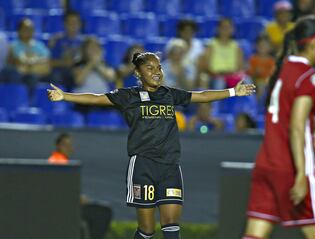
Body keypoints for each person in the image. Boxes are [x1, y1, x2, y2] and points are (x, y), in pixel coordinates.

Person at [48, 51, 256, 239]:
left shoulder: (169, 94)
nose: (156, 71)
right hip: (143, 166)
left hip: (170, 165)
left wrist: (233, 92)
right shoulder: (128, 96)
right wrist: (65, 96)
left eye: (159, 67)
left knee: (171, 223)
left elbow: (201, 96)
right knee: (147, 229)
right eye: (150, 68)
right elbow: (96, 99)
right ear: (138, 73)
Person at [241, 17, 315, 239]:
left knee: (253, 236)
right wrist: (301, 175)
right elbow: (297, 127)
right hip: (291, 167)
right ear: (314, 44)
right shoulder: (310, 78)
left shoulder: (282, 69)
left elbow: (284, 123)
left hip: (266, 164)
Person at [198, 18, 244, 89]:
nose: (226, 30)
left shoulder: (236, 46)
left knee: (247, 80)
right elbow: (205, 65)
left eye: (228, 27)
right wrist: (215, 73)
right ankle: (217, 100)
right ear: (218, 29)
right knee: (220, 82)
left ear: (233, 30)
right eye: (223, 27)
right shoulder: (211, 45)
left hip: (231, 76)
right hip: (215, 76)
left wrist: (231, 74)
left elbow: (240, 66)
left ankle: (251, 100)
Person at [6, 18, 50, 91]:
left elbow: (46, 60)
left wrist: (31, 62)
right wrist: (34, 61)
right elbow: (18, 61)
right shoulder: (14, 45)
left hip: (37, 73)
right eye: (26, 29)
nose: (29, 31)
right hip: (20, 75)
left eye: (31, 29)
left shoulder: (39, 45)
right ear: (19, 30)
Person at [48, 10, 83, 89]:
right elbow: (51, 62)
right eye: (70, 23)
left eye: (76, 22)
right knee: (56, 77)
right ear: (65, 24)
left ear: (80, 24)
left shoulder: (84, 42)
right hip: (61, 73)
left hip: (78, 73)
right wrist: (66, 63)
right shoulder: (57, 41)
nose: (73, 25)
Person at [166, 19, 204, 88]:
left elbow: (200, 64)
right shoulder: (172, 43)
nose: (188, 33)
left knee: (203, 78)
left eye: (190, 31)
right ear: (180, 31)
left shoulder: (198, 44)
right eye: (185, 31)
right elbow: (169, 61)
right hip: (172, 70)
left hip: (191, 73)